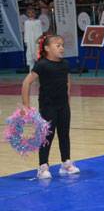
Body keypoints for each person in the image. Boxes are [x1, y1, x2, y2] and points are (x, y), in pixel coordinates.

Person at [21, 35, 80, 180]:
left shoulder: (65, 64)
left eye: (62, 45)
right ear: (47, 48)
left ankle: (66, 163)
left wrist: (67, 99)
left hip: (63, 105)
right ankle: (42, 166)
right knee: (47, 136)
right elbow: (26, 83)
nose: (61, 48)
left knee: (64, 133)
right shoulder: (42, 65)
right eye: (57, 45)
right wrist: (26, 105)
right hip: (48, 106)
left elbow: (67, 81)